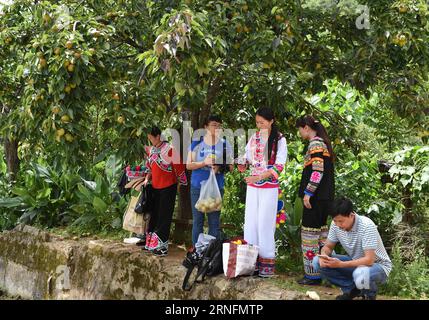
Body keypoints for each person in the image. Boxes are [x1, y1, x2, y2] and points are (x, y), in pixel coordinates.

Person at [238, 107, 287, 277]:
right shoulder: (255, 137)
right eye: (257, 122)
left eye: (262, 122)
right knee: (250, 222)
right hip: (253, 185)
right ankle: (250, 263)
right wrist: (242, 162)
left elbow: (279, 165)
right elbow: (247, 157)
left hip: (269, 187)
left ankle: (267, 265)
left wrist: (260, 177)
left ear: (271, 120)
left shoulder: (280, 139)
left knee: (265, 224)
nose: (259, 125)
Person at [312, 197, 392, 300]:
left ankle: (369, 294)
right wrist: (324, 255)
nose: (338, 224)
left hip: (379, 266)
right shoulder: (336, 224)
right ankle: (352, 291)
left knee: (360, 272)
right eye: (335, 221)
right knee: (316, 261)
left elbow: (369, 260)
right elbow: (328, 246)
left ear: (351, 215)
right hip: (356, 263)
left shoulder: (366, 225)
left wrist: (340, 264)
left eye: (341, 221)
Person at [295, 115, 335, 285]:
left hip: (316, 199)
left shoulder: (315, 144)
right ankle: (326, 274)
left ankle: (312, 275)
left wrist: (308, 193)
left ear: (306, 127)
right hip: (325, 198)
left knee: (310, 236)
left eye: (299, 129)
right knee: (322, 236)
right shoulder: (323, 144)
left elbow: (317, 172)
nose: (299, 132)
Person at [186, 115, 233, 245]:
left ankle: (210, 255)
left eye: (219, 125)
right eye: (213, 125)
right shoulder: (197, 143)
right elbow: (189, 165)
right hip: (197, 187)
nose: (217, 128)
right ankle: (197, 252)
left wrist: (219, 166)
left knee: (214, 222)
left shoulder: (225, 144)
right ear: (206, 127)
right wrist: (203, 163)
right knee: (198, 221)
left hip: (216, 187)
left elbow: (231, 167)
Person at [142, 126, 187, 256]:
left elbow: (179, 167)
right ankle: (151, 243)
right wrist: (146, 179)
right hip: (155, 187)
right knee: (154, 216)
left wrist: (181, 182)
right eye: (149, 139)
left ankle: (162, 247)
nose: (150, 141)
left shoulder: (170, 149)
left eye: (152, 138)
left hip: (168, 187)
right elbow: (149, 167)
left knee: (164, 216)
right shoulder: (153, 150)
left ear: (158, 136)